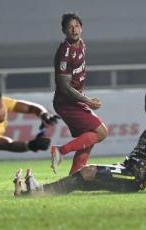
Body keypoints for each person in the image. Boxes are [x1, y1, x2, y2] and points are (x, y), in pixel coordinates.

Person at [14, 89, 146, 196]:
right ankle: (36, 192)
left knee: (87, 172)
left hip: (135, 177)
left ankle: (39, 190)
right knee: (81, 181)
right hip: (126, 170)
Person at [51, 12, 108, 175]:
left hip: (75, 101)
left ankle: (73, 178)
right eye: (69, 27)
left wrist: (84, 99)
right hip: (66, 103)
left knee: (88, 139)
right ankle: (60, 151)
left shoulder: (82, 44)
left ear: (81, 28)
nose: (74, 30)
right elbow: (64, 87)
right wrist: (88, 101)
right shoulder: (64, 53)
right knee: (101, 132)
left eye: (76, 26)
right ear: (64, 31)